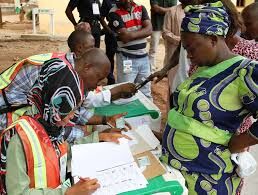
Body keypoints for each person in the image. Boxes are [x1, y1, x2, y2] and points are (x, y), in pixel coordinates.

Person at [161, 1, 258, 194]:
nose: (188, 55)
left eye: (191, 48)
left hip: (209, 178)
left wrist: (242, 141)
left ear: (213, 39)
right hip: (179, 171)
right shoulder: (204, 67)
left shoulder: (245, 71)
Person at [1, 55, 130, 194]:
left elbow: (61, 152)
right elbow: (18, 193)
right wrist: (67, 193)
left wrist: (98, 138)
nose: (73, 116)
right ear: (54, 105)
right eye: (70, 110)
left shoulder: (52, 127)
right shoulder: (18, 138)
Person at [108, 0, 152, 99]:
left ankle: (147, 114)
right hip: (127, 58)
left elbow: (149, 30)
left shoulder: (140, 7)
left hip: (144, 57)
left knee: (146, 91)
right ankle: (125, 114)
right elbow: (125, 37)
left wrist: (131, 34)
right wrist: (142, 31)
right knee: (124, 92)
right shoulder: (113, 13)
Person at [162, 0, 186, 110]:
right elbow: (165, 32)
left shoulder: (199, 11)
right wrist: (182, 40)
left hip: (192, 57)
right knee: (174, 86)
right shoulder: (172, 11)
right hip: (175, 55)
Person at [148, 0, 177, 72]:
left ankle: (166, 70)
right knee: (153, 49)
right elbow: (156, 8)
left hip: (168, 26)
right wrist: (169, 10)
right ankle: (151, 69)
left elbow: (174, 9)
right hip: (156, 25)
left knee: (169, 49)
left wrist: (161, 9)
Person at [100, 0, 117, 85]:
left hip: (124, 33)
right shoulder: (106, 1)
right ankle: (110, 78)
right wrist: (109, 31)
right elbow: (101, 18)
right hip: (111, 33)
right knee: (110, 57)